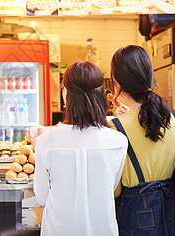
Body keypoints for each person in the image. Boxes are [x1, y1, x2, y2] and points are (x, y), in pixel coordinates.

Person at [34, 60, 128, 236]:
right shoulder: (118, 141)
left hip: (58, 230)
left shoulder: (46, 141)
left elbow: (42, 197)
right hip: (102, 229)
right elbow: (112, 187)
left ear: (66, 95)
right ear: (101, 95)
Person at [109, 45, 175, 235]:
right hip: (171, 214)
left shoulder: (116, 127)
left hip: (134, 216)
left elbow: (114, 190)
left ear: (117, 82)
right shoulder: (172, 117)